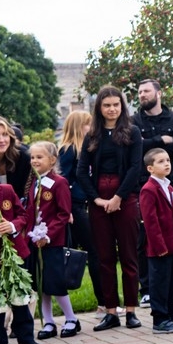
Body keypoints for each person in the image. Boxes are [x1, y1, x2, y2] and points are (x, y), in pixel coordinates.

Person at [77, 86, 144, 331]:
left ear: (122, 106)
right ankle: (111, 311)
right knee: (104, 257)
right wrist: (96, 199)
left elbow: (136, 168)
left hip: (124, 199)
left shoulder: (133, 132)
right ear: (99, 108)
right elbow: (81, 171)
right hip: (99, 202)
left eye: (116, 104)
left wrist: (118, 197)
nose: (112, 109)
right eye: (107, 105)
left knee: (128, 255)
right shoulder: (91, 136)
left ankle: (131, 311)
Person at [0, 152, 44, 344]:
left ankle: (25, 339)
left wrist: (13, 226)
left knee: (21, 296)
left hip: (17, 254)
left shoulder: (5, 191)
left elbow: (23, 214)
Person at [132, 79, 173, 307]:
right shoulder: (135, 121)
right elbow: (136, 146)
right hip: (144, 185)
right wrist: (159, 140)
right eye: (139, 92)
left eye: (146, 91)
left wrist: (149, 144)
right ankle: (146, 288)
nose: (142, 95)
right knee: (145, 234)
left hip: (172, 183)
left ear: (159, 93)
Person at [23, 141, 80, 340]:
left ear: (52, 160)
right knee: (41, 284)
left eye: (40, 157)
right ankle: (48, 322)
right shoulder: (33, 182)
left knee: (55, 282)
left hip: (52, 242)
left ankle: (71, 318)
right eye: (32, 157)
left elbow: (64, 214)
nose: (35, 161)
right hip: (34, 242)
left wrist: (48, 235)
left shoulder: (59, 182)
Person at [139, 148, 173, 335]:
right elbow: (150, 222)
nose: (167, 164)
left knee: (170, 282)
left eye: (168, 160)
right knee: (159, 283)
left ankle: (171, 314)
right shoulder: (148, 190)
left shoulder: (169, 187)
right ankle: (159, 319)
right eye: (161, 161)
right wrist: (159, 246)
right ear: (150, 168)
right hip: (159, 248)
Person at [58, 111, 103, 313]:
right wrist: (66, 208)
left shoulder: (87, 148)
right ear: (78, 126)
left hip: (85, 203)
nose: (91, 127)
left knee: (96, 251)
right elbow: (64, 181)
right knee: (94, 251)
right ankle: (103, 301)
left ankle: (104, 300)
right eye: (88, 124)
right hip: (75, 206)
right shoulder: (68, 150)